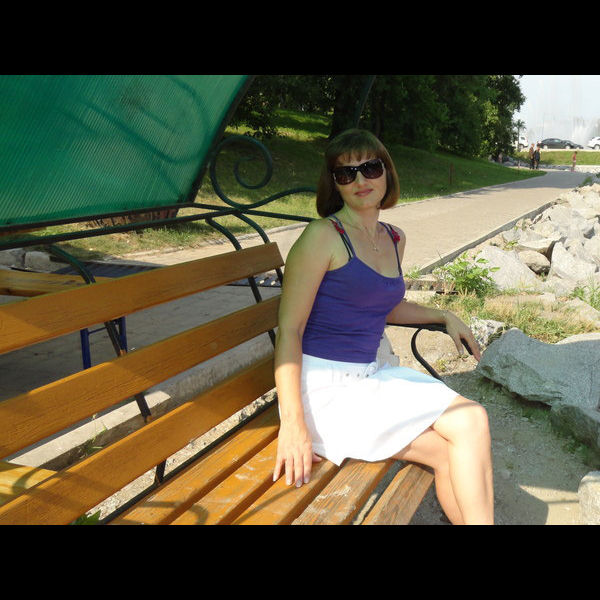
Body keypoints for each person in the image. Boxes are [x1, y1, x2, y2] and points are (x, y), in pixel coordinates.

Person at [272, 128, 494, 525]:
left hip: (370, 378)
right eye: (346, 173)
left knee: (450, 451)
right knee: (471, 419)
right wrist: (292, 424)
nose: (360, 180)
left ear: (387, 173)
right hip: (324, 392)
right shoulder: (322, 237)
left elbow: (386, 307)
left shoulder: (393, 238)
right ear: (335, 184)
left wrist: (444, 315)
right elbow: (289, 330)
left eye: (370, 168)